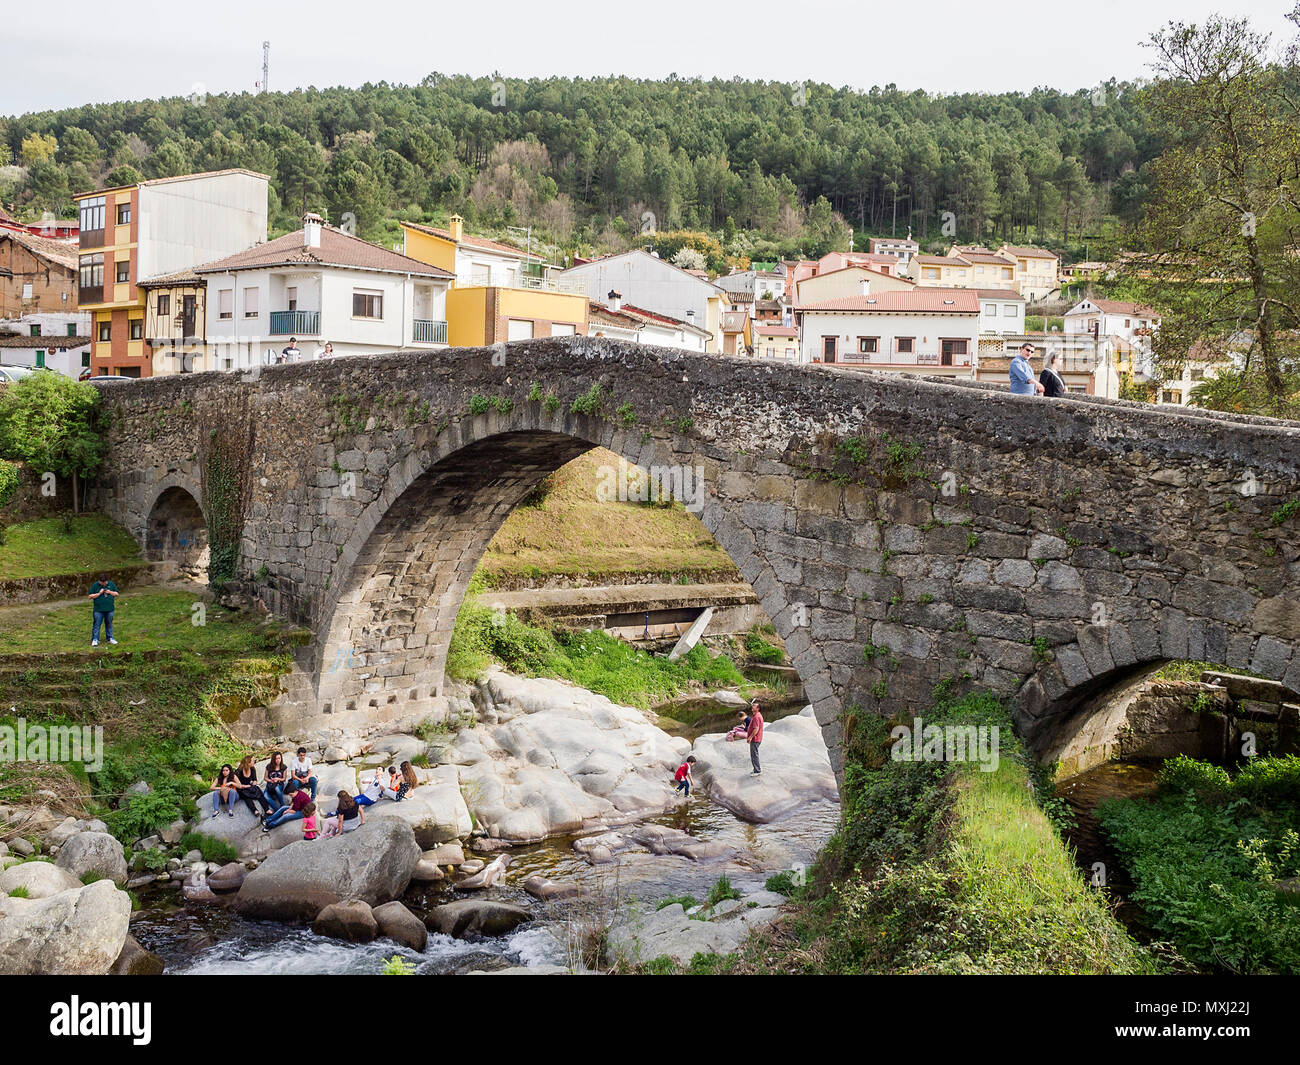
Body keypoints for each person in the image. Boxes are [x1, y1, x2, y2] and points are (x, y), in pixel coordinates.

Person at [88, 573, 119, 647]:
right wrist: (99, 593)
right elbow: (90, 596)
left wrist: (110, 592)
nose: (103, 584)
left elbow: (117, 594)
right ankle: (95, 639)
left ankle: (110, 638)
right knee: (97, 625)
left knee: (109, 624)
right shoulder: (95, 585)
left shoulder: (111, 584)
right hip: (98, 609)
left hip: (110, 609)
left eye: (104, 582)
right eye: (101, 582)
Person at [746, 699, 765, 775]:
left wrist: (750, 737)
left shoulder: (757, 716)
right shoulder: (756, 715)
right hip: (756, 738)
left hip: (755, 739)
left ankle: (757, 770)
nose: (752, 706)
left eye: (754, 706)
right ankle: (755, 769)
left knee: (754, 755)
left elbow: (756, 729)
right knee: (754, 754)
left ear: (758, 708)